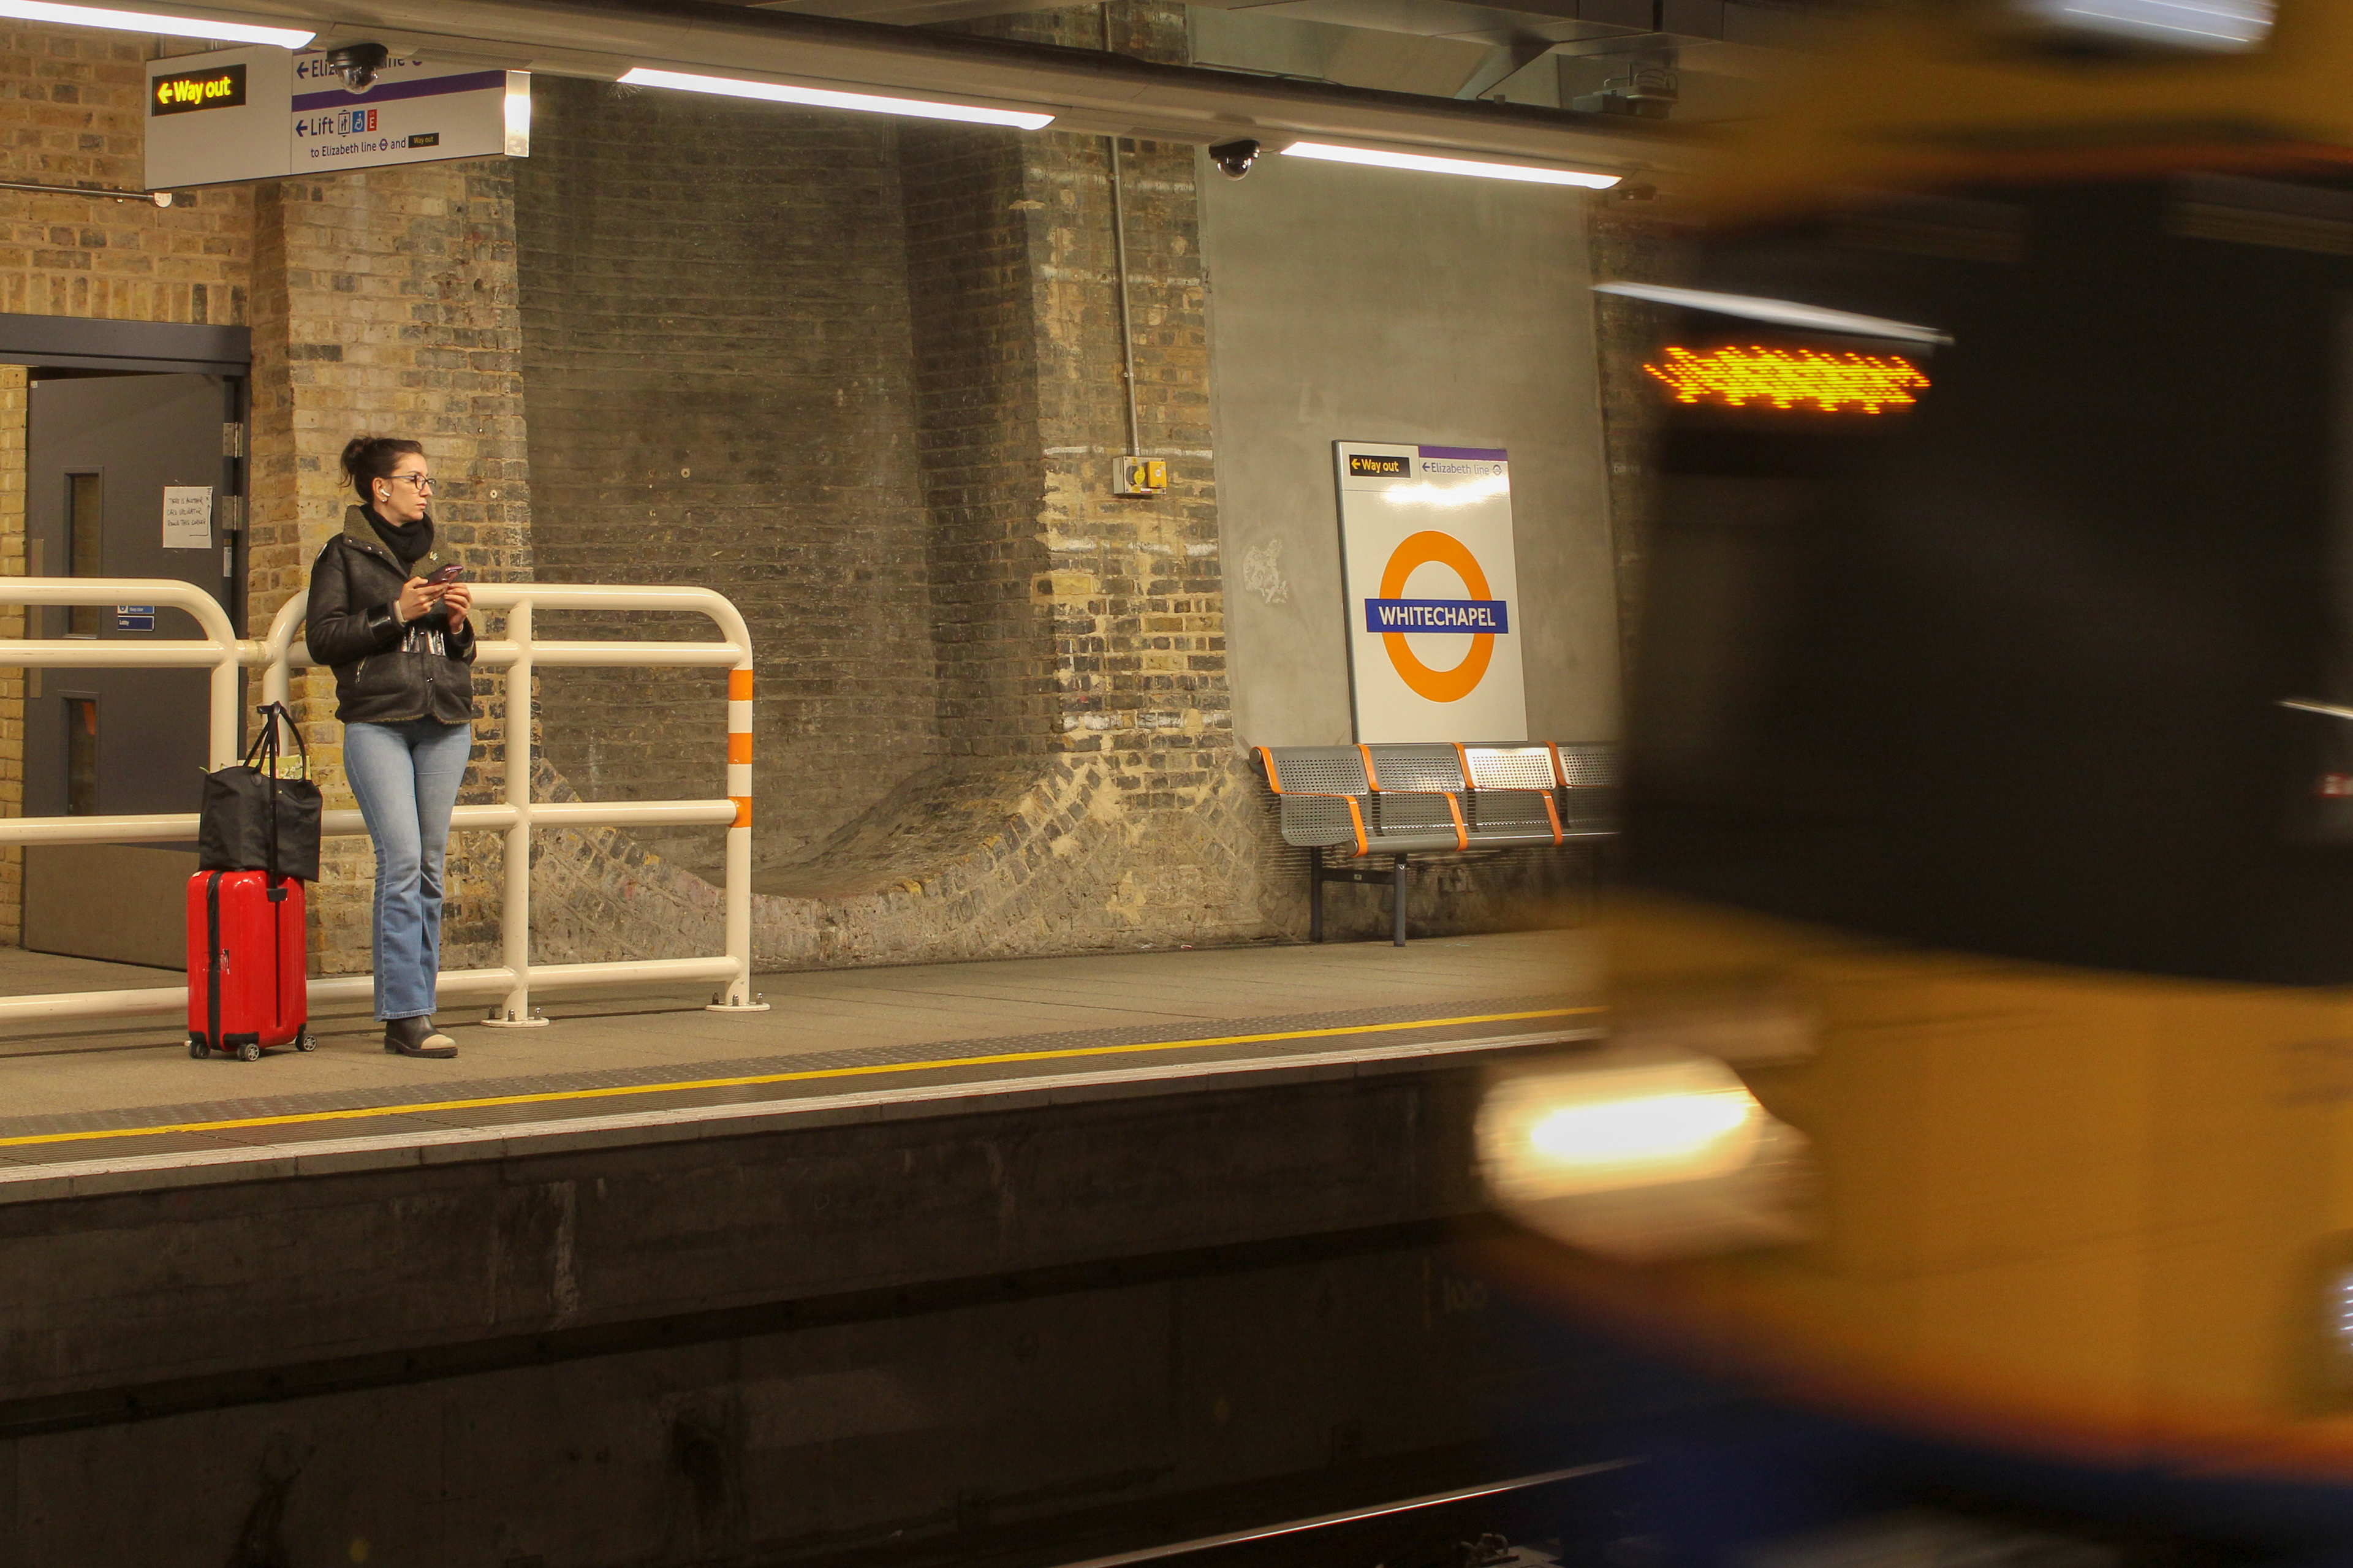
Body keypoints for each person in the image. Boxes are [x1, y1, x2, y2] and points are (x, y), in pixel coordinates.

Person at [305, 436, 477, 1059]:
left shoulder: (438, 552)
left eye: (427, 480)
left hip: (443, 721)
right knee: (402, 861)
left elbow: (460, 654)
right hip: (377, 721)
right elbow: (324, 640)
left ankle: (419, 1009)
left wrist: (458, 627)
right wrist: (395, 613)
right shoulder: (343, 555)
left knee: (430, 868)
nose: (427, 490)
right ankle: (405, 1017)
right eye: (415, 479)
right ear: (381, 488)